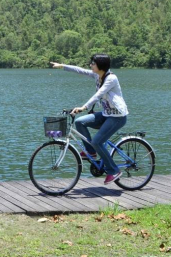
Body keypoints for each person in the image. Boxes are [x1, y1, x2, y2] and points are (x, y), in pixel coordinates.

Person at [49, 54, 129, 184]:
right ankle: (90, 152)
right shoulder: (98, 75)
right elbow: (80, 70)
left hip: (117, 117)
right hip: (106, 114)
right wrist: (63, 66)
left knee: (97, 142)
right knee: (80, 122)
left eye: (93, 63)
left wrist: (84, 107)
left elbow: (99, 94)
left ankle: (113, 170)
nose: (91, 65)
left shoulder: (111, 79)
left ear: (100, 66)